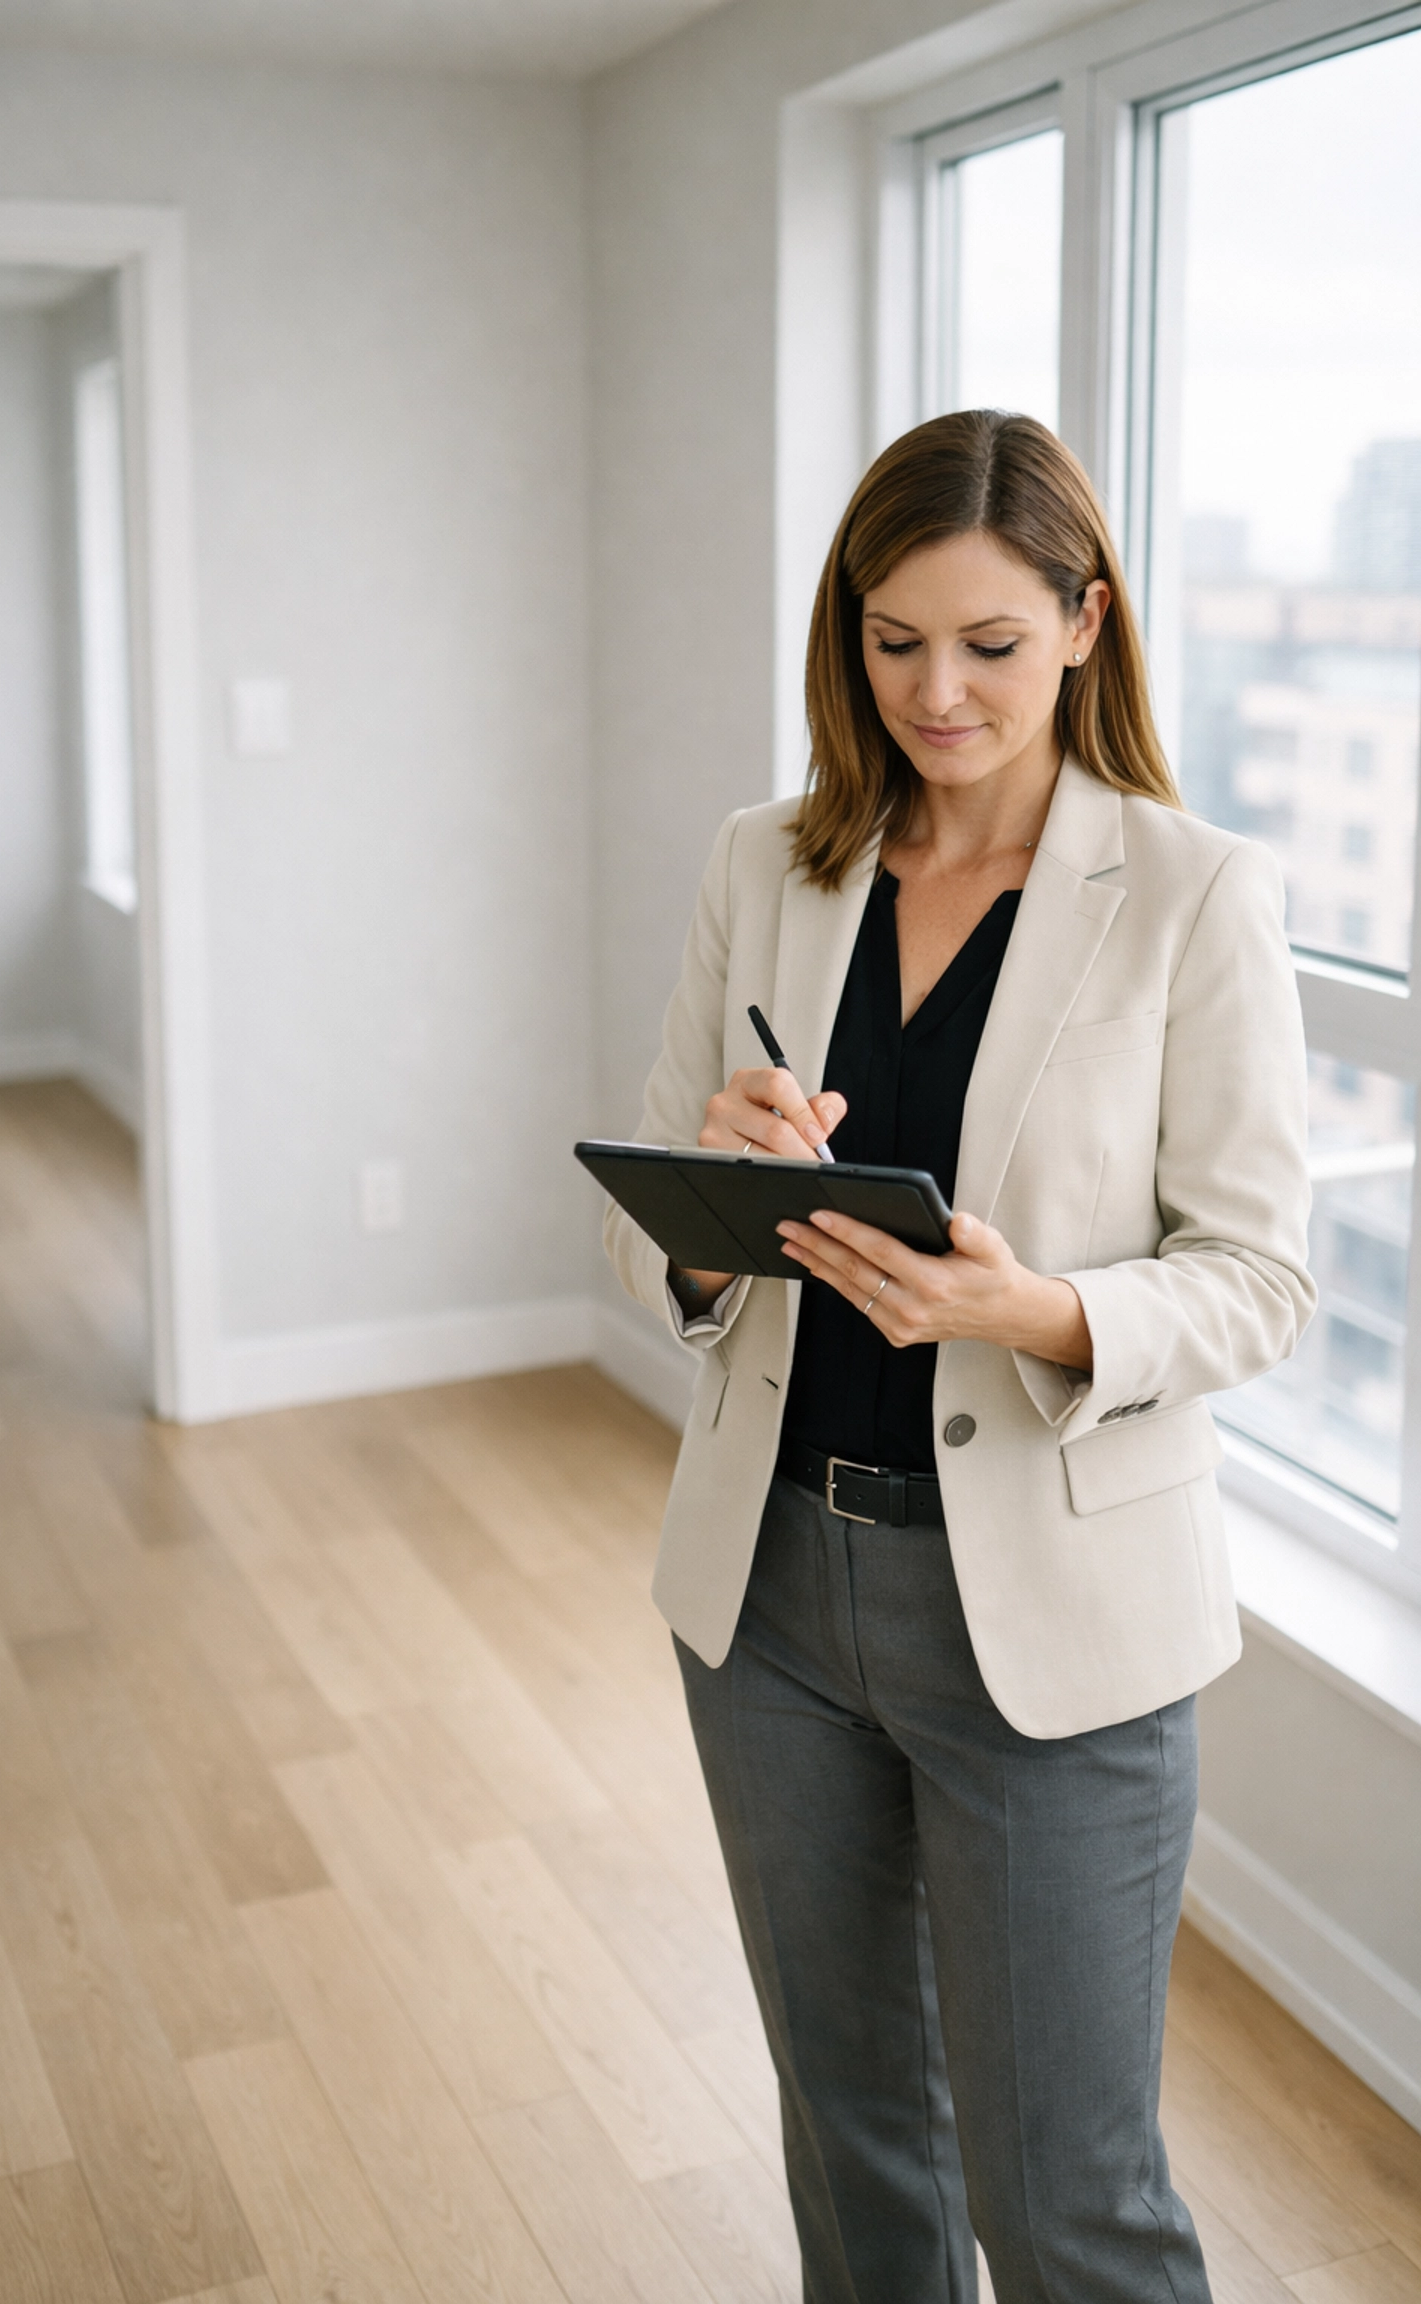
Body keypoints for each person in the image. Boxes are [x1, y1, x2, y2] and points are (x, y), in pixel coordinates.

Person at [604, 410, 1314, 2304]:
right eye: (892, 639)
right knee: (855, 2153)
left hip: (1052, 1631)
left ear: (1088, 626)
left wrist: (1042, 1311)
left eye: (991, 645)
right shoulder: (768, 860)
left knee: (1070, 2207)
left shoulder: (1191, 893)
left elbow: (1261, 1277)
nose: (937, 691)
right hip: (768, 1605)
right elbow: (648, 1234)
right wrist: (713, 1209)